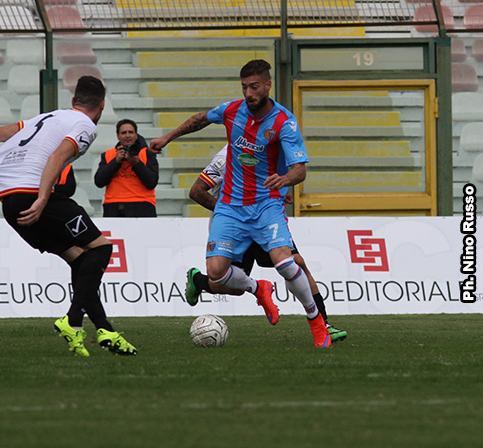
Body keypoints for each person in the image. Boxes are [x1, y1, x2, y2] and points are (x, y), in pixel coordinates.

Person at [0, 76, 137, 357]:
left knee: (81, 261)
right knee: (101, 249)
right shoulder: (85, 126)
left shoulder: (48, 117)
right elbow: (57, 158)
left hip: (10, 204)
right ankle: (73, 320)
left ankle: (105, 330)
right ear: (101, 106)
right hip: (33, 196)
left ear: (73, 100)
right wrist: (43, 199)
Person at [150, 59, 332, 347]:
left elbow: (300, 170)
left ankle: (317, 322)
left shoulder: (284, 122)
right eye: (245, 87)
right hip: (230, 207)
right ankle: (258, 288)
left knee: (287, 263)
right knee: (216, 274)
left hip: (266, 205)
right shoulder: (232, 111)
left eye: (254, 87)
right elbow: (201, 119)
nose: (249, 93)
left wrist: (284, 179)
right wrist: (168, 137)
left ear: (268, 85)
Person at [186, 146, 348, 342]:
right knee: (235, 286)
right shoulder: (224, 158)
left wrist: (278, 194)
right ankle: (199, 281)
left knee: (296, 262)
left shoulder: (264, 148)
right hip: (235, 228)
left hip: (263, 221)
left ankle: (324, 325)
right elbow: (196, 192)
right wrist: (232, 213)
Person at [94, 119, 158, 217]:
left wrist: (136, 163)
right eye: (123, 133)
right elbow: (99, 182)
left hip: (143, 204)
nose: (127, 136)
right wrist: (116, 161)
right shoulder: (108, 155)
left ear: (136, 135)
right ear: (118, 136)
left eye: (131, 132)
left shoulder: (147, 154)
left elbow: (152, 182)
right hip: (114, 204)